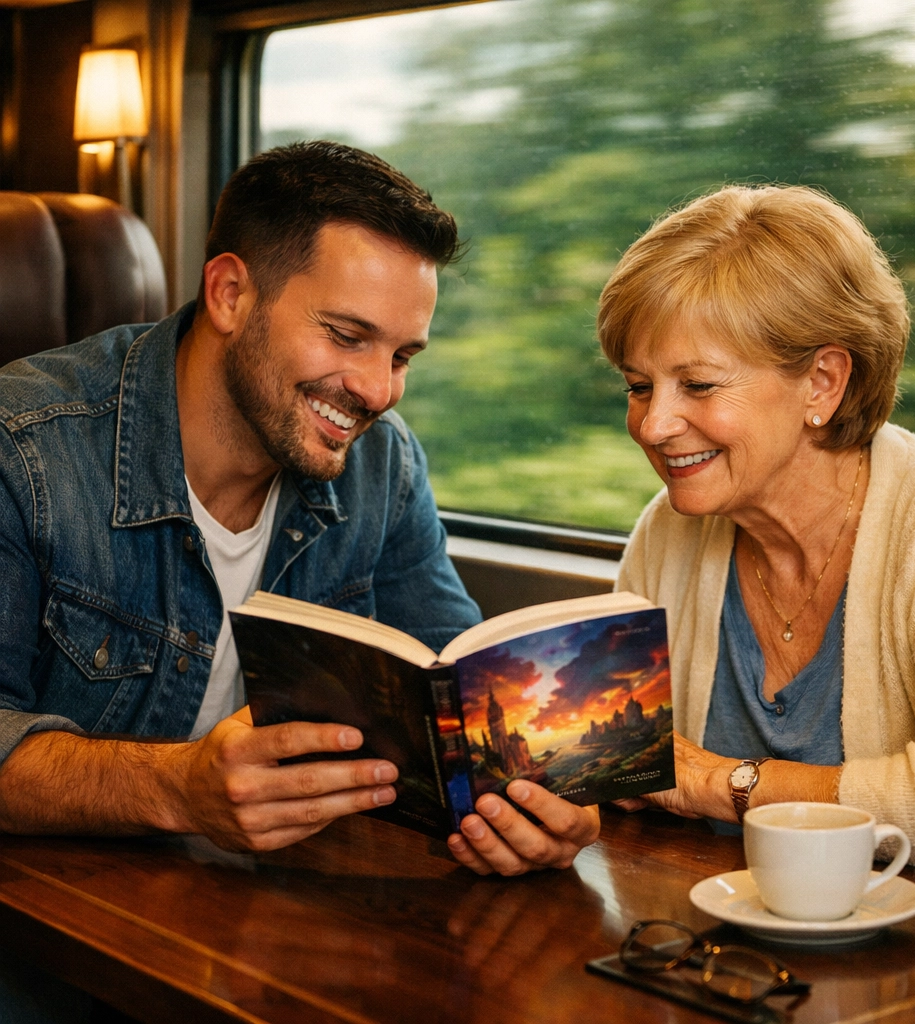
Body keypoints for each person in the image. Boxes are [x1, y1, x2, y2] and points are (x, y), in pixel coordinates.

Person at [0, 141, 599, 877]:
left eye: (403, 355)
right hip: (45, 905)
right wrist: (180, 790)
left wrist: (545, 793)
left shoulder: (384, 464)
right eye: (347, 336)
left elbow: (459, 689)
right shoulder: (23, 448)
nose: (378, 391)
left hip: (267, 889)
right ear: (228, 294)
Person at [598, 183, 915, 876]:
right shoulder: (667, 532)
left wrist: (718, 784)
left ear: (823, 382)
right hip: (702, 947)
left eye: (699, 386)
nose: (652, 426)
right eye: (639, 386)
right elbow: (621, 766)